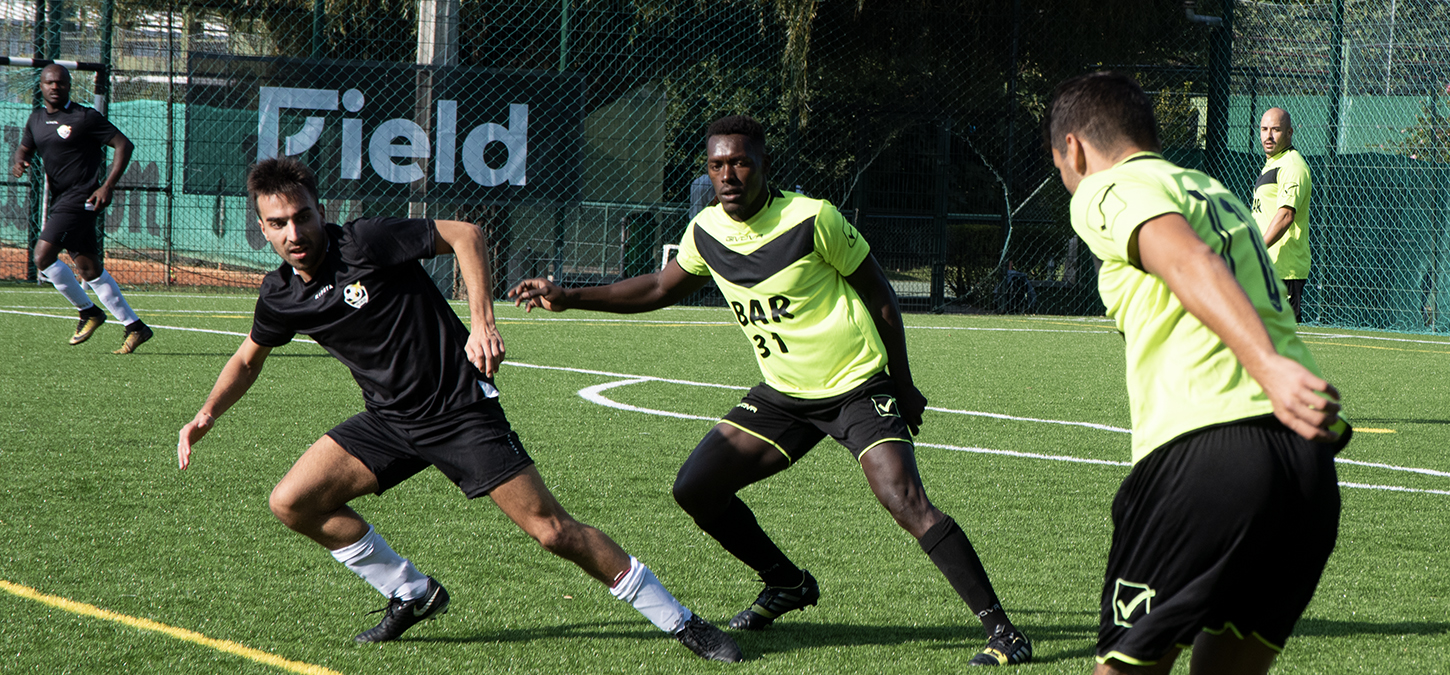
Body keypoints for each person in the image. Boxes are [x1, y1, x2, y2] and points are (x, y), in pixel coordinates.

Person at [508, 115, 1033, 666]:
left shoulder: (813, 219)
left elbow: (881, 295)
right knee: (696, 488)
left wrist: (901, 384)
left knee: (903, 500)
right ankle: (785, 582)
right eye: (717, 165)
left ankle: (1004, 634)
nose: (728, 175)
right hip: (785, 394)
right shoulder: (706, 230)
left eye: (740, 163)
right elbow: (661, 287)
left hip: (856, 385)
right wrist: (570, 295)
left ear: (763, 166)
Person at [175, 158, 740, 661]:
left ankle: (682, 623)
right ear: (262, 226)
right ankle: (412, 592)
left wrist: (482, 323)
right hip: (390, 422)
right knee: (292, 502)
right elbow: (249, 358)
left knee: (552, 531)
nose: (293, 232)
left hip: (458, 409)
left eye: (302, 216)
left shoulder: (364, 242)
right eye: (278, 223)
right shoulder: (281, 294)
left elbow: (465, 235)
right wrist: (206, 415)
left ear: (322, 211)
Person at [1047, 72, 1351, 675]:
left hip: (1209, 450)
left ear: (1075, 149)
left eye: (1058, 163)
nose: (1063, 178)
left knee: (1127, 667)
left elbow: (1183, 255)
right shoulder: (1215, 191)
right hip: (1305, 463)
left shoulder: (1107, 188)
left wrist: (1264, 366)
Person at [11, 63, 150, 353]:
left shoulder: (84, 117)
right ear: (41, 86)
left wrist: (107, 185)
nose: (54, 87)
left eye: (60, 83)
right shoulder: (36, 120)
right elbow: (26, 148)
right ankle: (135, 327)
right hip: (62, 199)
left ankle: (89, 312)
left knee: (42, 256)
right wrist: (20, 160)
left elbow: (124, 144)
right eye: (49, 82)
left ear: (69, 85)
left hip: (84, 197)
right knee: (89, 268)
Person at [1252, 107, 1312, 323]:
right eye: (1264, 129)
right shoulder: (1273, 164)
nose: (1268, 136)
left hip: (1285, 270)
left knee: (1280, 344)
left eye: (1276, 130)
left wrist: (1256, 247)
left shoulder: (1292, 166)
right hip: (1267, 266)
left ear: (1289, 133)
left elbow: (1286, 215)